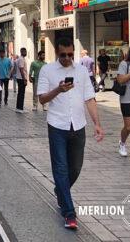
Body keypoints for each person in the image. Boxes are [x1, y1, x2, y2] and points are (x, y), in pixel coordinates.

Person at [37, 37, 104, 230]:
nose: (67, 58)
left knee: (74, 169)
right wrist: (58, 89)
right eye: (63, 55)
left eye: (70, 54)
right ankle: (69, 213)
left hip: (79, 126)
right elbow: (42, 99)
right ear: (57, 53)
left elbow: (90, 99)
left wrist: (97, 124)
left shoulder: (82, 71)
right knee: (61, 169)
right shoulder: (47, 70)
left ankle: (60, 190)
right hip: (57, 125)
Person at [15, 48, 28, 113]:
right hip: (21, 78)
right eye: (24, 51)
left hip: (20, 78)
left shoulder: (21, 59)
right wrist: (24, 79)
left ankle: (19, 107)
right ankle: (20, 108)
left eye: (25, 51)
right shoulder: (21, 59)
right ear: (21, 52)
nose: (25, 52)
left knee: (20, 93)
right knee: (21, 93)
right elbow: (21, 69)